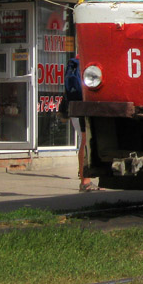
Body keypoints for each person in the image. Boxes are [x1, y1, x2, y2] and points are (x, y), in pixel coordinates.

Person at [60, 57, 100, 192]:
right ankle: (85, 182)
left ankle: (83, 178)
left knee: (82, 141)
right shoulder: (88, 60)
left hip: (75, 107)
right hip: (84, 107)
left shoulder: (74, 63)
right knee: (85, 142)